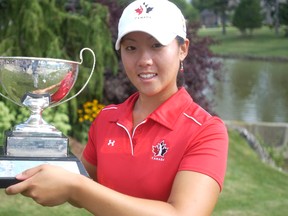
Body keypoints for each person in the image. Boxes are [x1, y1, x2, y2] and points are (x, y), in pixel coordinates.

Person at [5, 0, 229, 215]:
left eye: (156, 45)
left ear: (183, 49)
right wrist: (38, 169)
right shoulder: (107, 119)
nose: (144, 60)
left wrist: (75, 186)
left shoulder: (206, 131)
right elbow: (82, 187)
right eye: (131, 47)